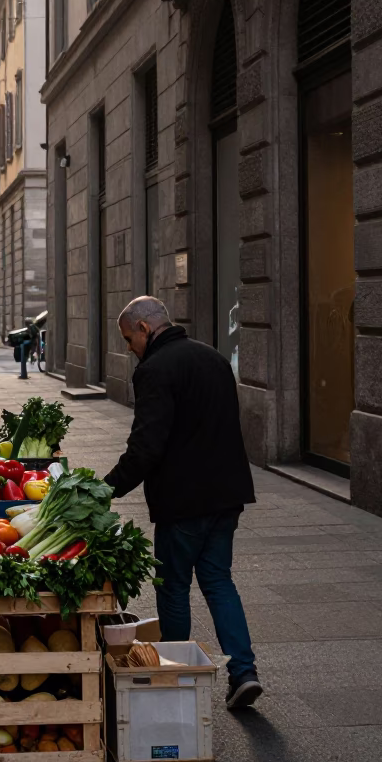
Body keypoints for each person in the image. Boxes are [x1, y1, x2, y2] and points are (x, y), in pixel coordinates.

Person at [105, 296, 262, 710]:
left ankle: (176, 676)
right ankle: (243, 672)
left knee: (173, 587)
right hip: (226, 495)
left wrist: (106, 489)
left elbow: (146, 446)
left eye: (128, 338)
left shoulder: (155, 369)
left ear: (144, 328)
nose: (129, 348)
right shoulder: (211, 358)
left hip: (184, 501)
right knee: (218, 581)